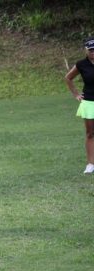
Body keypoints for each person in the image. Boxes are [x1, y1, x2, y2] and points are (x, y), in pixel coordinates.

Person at [65, 37, 94, 174]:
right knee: (90, 133)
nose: (93, 52)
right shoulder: (81, 64)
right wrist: (76, 94)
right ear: (86, 50)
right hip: (89, 101)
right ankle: (90, 164)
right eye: (91, 50)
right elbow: (68, 78)